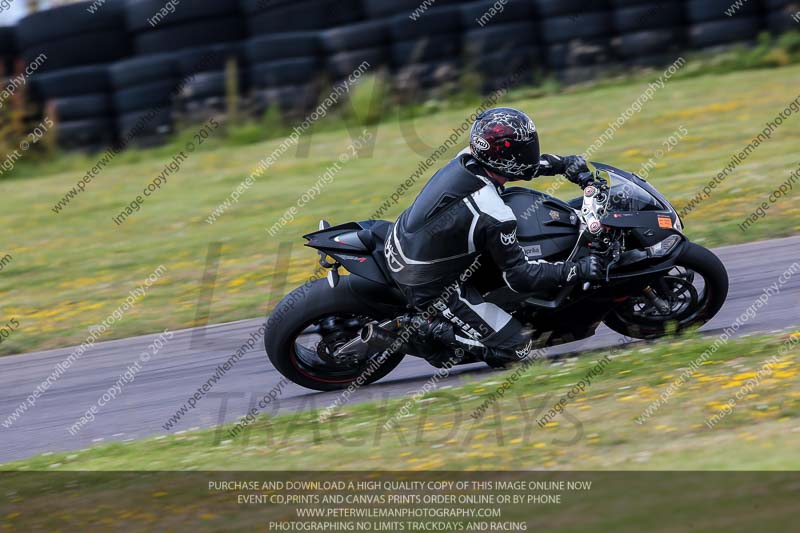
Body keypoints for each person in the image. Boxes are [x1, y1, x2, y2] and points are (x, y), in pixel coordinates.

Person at [384, 107, 604, 365]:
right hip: (429, 283)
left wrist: (562, 164)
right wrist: (577, 270)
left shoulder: (468, 157)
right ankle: (427, 330)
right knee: (517, 349)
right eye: (522, 148)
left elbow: (521, 167)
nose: (529, 152)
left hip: (406, 240)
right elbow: (520, 277)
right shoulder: (493, 211)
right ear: (504, 156)